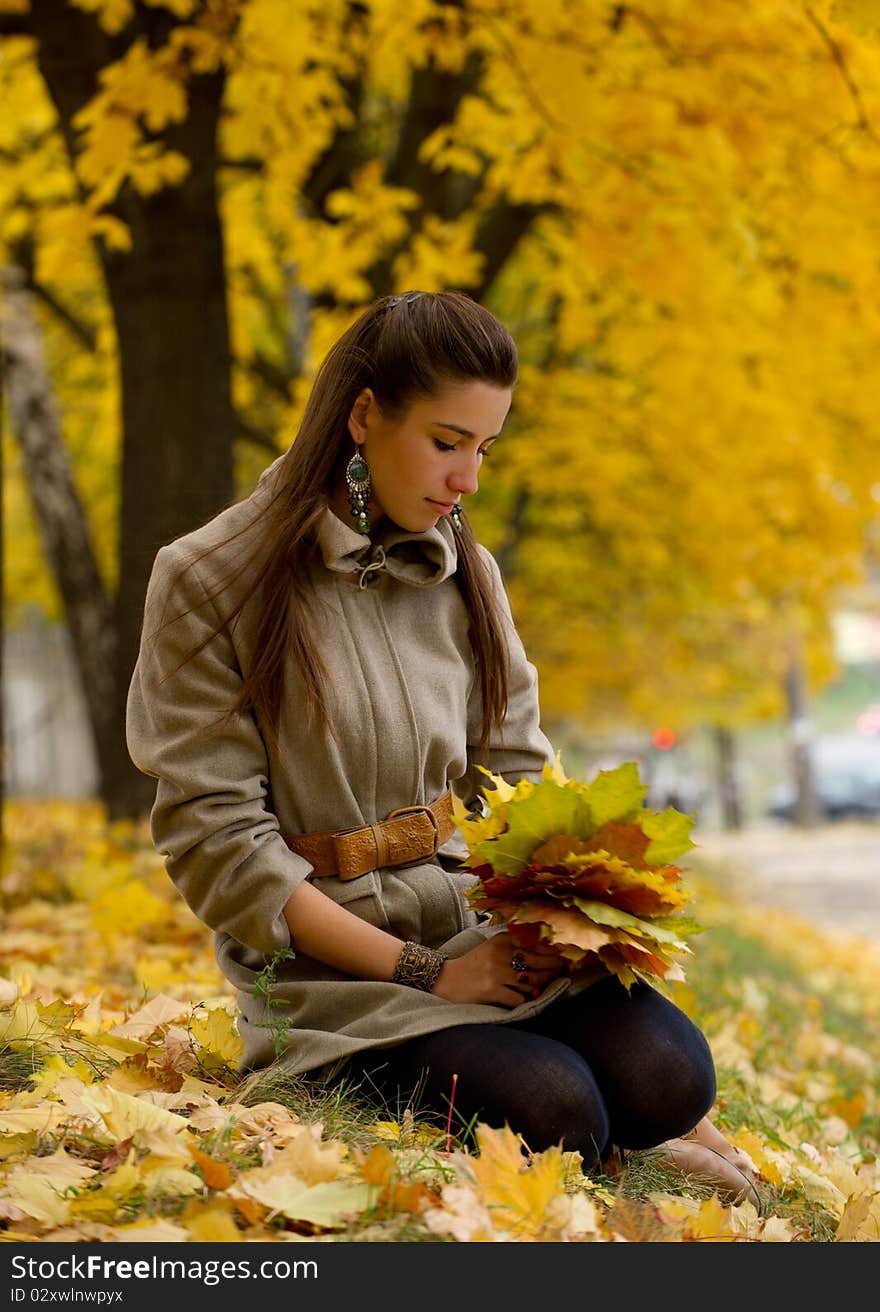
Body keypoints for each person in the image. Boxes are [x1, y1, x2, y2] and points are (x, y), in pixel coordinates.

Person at [126, 289, 762, 1208]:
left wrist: (553, 925)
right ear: (362, 414)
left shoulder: (466, 569)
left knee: (673, 1072)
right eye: (446, 441)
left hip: (475, 930)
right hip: (336, 984)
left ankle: (643, 1124)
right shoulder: (207, 579)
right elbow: (222, 850)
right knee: (556, 1106)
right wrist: (433, 975)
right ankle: (614, 1147)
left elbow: (515, 772)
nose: (468, 479)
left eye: (484, 449)